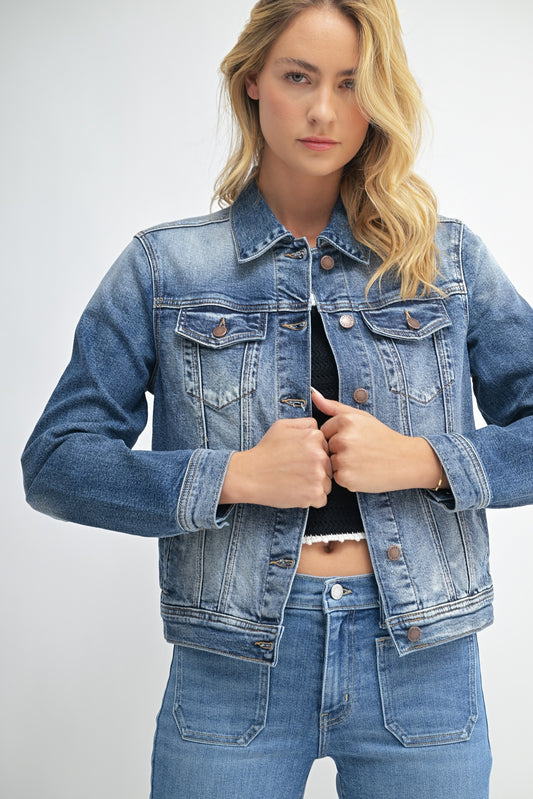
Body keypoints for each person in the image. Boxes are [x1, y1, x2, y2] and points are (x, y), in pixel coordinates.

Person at [21, 0, 533, 797]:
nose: (324, 110)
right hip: (231, 664)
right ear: (252, 80)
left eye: (352, 84)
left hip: (421, 659)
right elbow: (55, 462)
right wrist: (231, 477)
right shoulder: (164, 269)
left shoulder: (446, 261)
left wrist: (424, 459)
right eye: (299, 77)